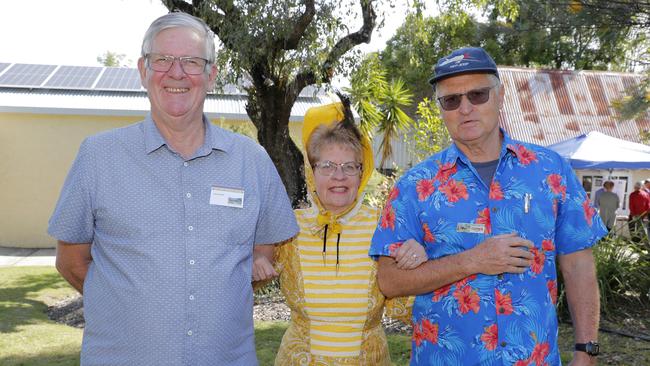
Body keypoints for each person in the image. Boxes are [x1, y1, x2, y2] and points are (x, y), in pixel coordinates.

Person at [48, 12, 298, 365]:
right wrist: (128, 308)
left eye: (192, 62)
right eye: (162, 59)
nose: (176, 73)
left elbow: (260, 260)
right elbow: (71, 261)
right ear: (143, 70)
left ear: (211, 75)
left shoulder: (251, 161)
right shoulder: (98, 157)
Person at [370, 47, 607, 365]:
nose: (465, 108)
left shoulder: (551, 171)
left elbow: (579, 266)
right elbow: (389, 281)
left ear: (500, 95)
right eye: (451, 100)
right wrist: (472, 261)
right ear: (441, 108)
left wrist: (587, 350)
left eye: (478, 94)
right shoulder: (414, 187)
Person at [252, 100, 426, 365]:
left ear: (361, 173)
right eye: (327, 166)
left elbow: (405, 308)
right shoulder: (289, 227)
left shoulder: (385, 226)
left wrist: (420, 260)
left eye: (349, 167)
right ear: (311, 172)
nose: (339, 176)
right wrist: (255, 264)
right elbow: (250, 282)